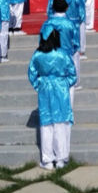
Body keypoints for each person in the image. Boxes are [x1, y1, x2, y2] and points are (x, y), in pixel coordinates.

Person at [28, 27, 77, 169]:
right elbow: (73, 74)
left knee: (46, 123)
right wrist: (64, 83)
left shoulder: (37, 55)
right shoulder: (62, 54)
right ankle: (61, 158)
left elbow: (31, 74)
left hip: (45, 88)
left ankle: (48, 159)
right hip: (60, 89)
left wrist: (40, 85)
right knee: (61, 122)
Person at [41, 0, 81, 103]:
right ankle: (68, 114)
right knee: (68, 86)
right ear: (67, 8)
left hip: (50, 57)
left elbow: (42, 43)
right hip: (67, 57)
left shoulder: (47, 24)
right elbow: (76, 43)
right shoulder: (70, 24)